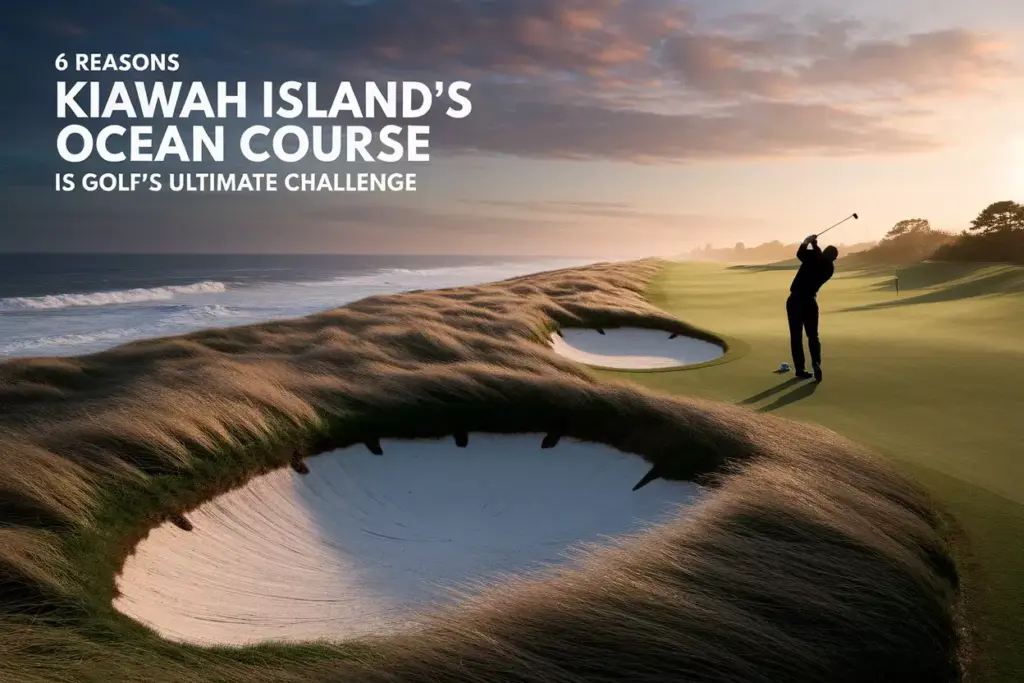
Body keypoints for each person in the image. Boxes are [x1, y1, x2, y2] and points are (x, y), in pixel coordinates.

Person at [787, 234, 838, 382]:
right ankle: (816, 363)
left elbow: (800, 254)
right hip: (810, 301)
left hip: (794, 300)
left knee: (796, 336)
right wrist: (814, 245)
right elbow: (818, 258)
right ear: (833, 258)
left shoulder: (813, 258)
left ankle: (800, 369)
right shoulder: (829, 268)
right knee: (813, 336)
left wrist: (807, 242)